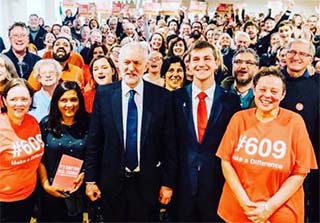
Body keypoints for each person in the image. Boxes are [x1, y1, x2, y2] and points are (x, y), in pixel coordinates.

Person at [84, 41, 177, 221]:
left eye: (137, 63)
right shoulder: (104, 95)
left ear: (145, 66)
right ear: (118, 65)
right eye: (126, 63)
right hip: (111, 184)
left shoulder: (162, 97)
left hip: (148, 185)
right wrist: (90, 180)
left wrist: (168, 183)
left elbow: (169, 145)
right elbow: (95, 142)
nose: (131, 68)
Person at [216, 66, 318, 223]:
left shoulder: (295, 122)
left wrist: (268, 208)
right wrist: (245, 204)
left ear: (283, 95)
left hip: (281, 213)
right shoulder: (239, 119)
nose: (267, 95)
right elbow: (226, 161)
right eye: (262, 89)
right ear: (254, 90)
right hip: (237, 210)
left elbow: (300, 172)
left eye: (274, 91)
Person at [172, 40, 240, 221]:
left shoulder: (231, 102)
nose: (201, 64)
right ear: (189, 65)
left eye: (207, 58)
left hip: (217, 187)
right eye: (196, 59)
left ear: (216, 63)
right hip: (182, 188)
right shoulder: (175, 99)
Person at [279, 39, 320, 223]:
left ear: (311, 59)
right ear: (285, 55)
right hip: (271, 157)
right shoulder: (272, 80)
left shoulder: (316, 87)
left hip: (302, 164)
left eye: (303, 54)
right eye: (292, 52)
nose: (296, 57)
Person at [38, 81, 90, 222]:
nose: (69, 105)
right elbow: (40, 158)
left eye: (73, 99)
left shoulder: (90, 123)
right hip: (50, 191)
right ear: (56, 102)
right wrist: (45, 185)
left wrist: (85, 174)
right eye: (63, 100)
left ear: (80, 101)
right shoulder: (46, 124)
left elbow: (95, 155)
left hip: (78, 192)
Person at [0, 78, 44, 222]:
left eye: (24, 99)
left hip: (28, 195)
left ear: (30, 100)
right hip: (4, 202)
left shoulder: (32, 121)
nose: (19, 104)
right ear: (4, 100)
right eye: (13, 99)